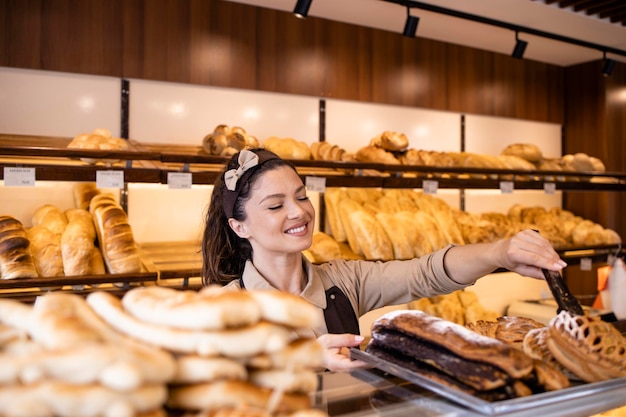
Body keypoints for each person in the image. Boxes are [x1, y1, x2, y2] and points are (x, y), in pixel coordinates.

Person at [201, 148, 567, 372]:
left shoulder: (341, 281)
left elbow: (425, 273)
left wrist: (498, 252)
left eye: (301, 196)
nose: (298, 212)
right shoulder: (224, 307)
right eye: (276, 205)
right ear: (239, 226)